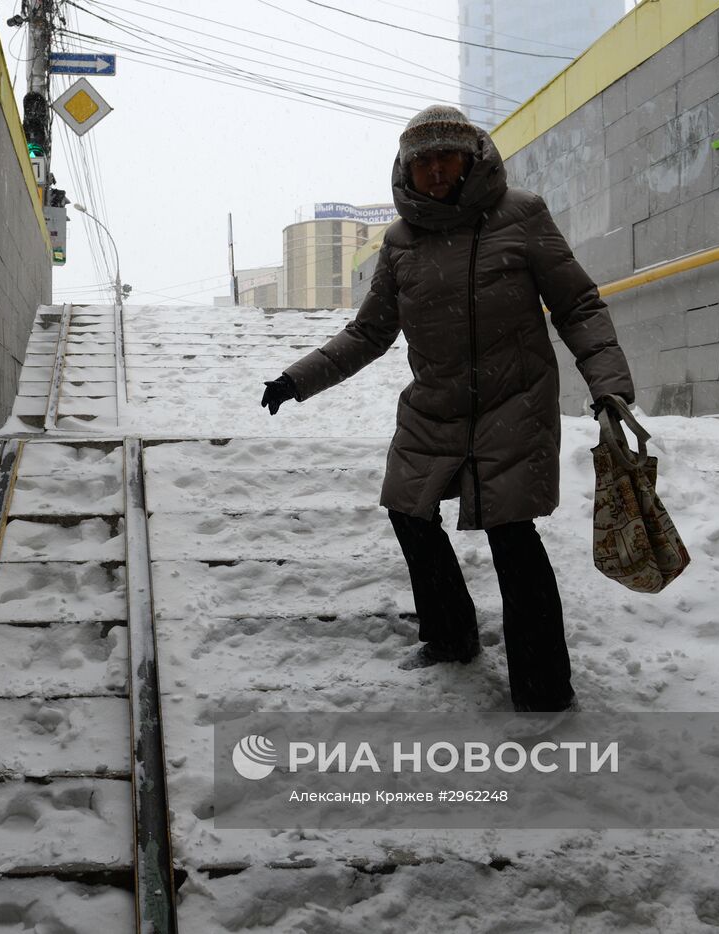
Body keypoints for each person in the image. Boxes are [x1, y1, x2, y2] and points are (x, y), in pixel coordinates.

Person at [260, 105, 635, 713]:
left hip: (513, 401)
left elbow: (578, 305)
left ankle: (543, 690)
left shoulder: (521, 214)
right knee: (407, 509)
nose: (435, 171)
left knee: (511, 535)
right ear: (406, 167)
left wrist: (608, 384)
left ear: (472, 157)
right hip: (434, 407)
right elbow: (368, 332)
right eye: (422, 160)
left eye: (446, 157)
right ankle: (450, 634)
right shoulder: (401, 241)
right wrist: (296, 380)